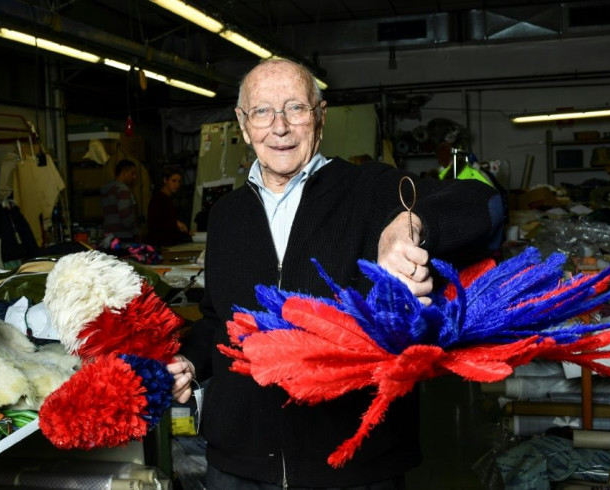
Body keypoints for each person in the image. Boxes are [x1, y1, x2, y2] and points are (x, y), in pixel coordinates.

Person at [168, 59, 504, 489]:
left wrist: (410, 223)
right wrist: (190, 362)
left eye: (295, 108)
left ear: (320, 117)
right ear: (243, 123)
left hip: (352, 465)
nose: (280, 127)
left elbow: (483, 200)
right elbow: (217, 318)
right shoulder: (226, 216)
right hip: (238, 467)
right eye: (263, 111)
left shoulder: (371, 190)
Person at [146, 167, 192, 247]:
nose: (177, 184)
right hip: (161, 245)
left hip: (167, 243)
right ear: (165, 180)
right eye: (173, 181)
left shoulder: (167, 199)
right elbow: (157, 225)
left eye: (179, 182)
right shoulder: (158, 200)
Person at [100, 159, 140, 241]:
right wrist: (135, 231)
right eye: (132, 173)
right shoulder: (123, 189)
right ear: (124, 173)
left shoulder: (106, 190)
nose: (134, 177)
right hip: (124, 236)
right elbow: (125, 215)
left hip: (109, 236)